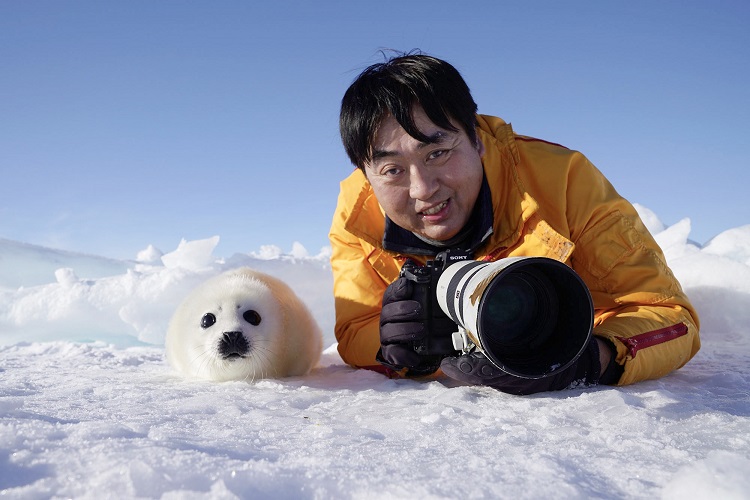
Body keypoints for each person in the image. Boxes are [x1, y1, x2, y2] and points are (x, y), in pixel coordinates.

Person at [329, 52, 700, 395]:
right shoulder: (358, 218)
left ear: (477, 140)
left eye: (438, 153)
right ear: (367, 174)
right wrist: (392, 343)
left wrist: (587, 361)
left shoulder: (561, 182)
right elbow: (353, 331)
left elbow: (669, 317)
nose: (423, 189)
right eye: (392, 170)